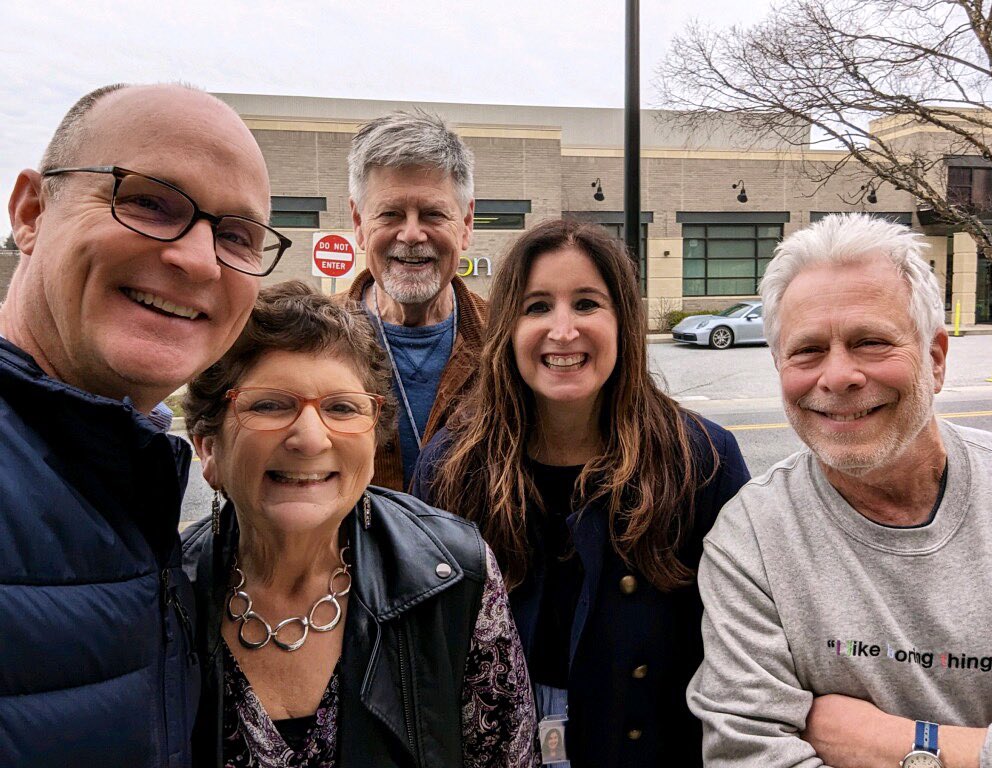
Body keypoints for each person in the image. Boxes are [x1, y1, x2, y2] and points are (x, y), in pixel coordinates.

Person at [0, 83, 285, 767]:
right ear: (32, 211)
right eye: (149, 202)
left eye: (236, 235)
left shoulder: (128, 469)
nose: (196, 258)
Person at [687, 213, 992, 768]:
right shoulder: (751, 539)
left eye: (870, 342)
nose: (838, 376)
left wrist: (902, 746)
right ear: (779, 366)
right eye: (808, 350)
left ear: (936, 359)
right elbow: (747, 755)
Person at [412, 218, 750, 767]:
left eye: (587, 304)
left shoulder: (702, 459)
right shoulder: (453, 464)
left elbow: (740, 648)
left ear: (623, 320)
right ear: (507, 328)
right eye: (537, 306)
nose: (563, 331)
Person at [181, 281, 537, 767]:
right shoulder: (166, 596)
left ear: (373, 441)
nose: (310, 438)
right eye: (270, 404)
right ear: (208, 447)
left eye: (342, 408)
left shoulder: (458, 576)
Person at [344, 110, 487, 491]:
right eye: (390, 214)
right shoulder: (308, 340)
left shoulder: (509, 340)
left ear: (466, 223)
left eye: (433, 214)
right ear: (358, 222)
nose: (410, 234)